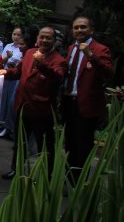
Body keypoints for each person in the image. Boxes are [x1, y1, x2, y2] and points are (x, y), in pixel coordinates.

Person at [1, 26, 66, 179]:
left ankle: (45, 176)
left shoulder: (59, 60)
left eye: (48, 38)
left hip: (41, 111)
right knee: (20, 142)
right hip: (23, 107)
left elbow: (58, 78)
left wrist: (42, 64)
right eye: (42, 37)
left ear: (54, 41)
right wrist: (5, 72)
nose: (44, 40)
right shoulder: (30, 53)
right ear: (37, 38)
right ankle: (15, 170)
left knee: (44, 146)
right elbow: (18, 72)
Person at [62, 16, 113, 183]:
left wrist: (91, 56)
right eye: (76, 27)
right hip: (69, 102)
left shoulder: (100, 49)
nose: (79, 31)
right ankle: (68, 179)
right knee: (69, 143)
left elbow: (108, 73)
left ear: (91, 30)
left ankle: (79, 181)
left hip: (86, 105)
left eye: (83, 27)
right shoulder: (71, 48)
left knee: (83, 144)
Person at [0, 27, 26, 139]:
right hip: (6, 77)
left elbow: (22, 64)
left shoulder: (22, 48)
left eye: (18, 35)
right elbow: (1, 62)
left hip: (16, 79)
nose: (16, 37)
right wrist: (7, 57)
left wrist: (14, 65)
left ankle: (9, 127)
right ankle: (1, 125)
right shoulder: (8, 46)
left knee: (11, 103)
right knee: (3, 102)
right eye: (14, 34)